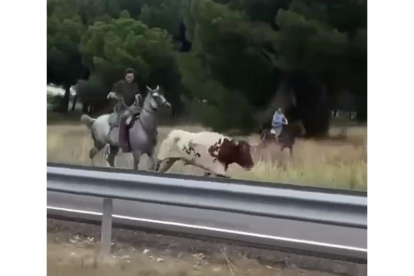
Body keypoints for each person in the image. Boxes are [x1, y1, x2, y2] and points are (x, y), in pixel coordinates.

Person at [112, 68, 142, 152]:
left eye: (132, 77)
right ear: (125, 76)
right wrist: (114, 95)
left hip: (133, 108)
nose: (130, 79)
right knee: (124, 118)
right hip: (122, 108)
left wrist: (138, 96)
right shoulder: (120, 84)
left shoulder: (135, 85)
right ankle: (123, 143)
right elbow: (114, 92)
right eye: (129, 77)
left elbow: (138, 94)